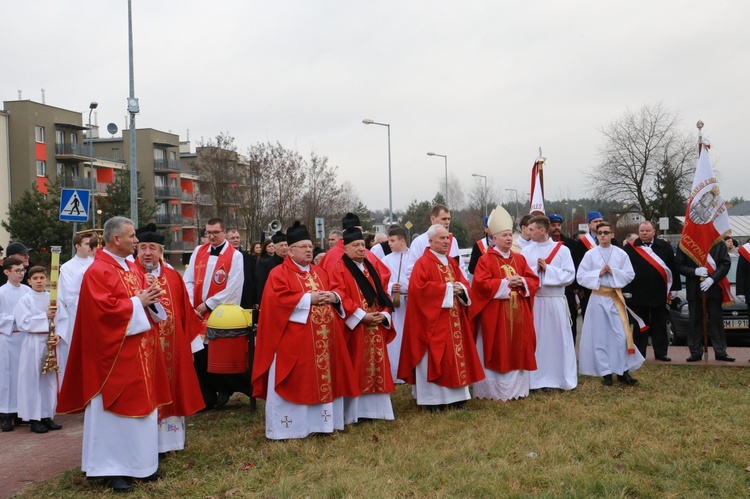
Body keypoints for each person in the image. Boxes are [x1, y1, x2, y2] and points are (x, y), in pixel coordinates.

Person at [57, 216, 170, 493]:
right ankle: (110, 469)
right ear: (116, 239)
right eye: (132, 236)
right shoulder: (98, 271)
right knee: (114, 414)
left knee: (142, 410)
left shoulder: (130, 266)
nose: (136, 241)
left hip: (138, 350)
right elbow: (102, 313)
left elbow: (140, 300)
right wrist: (137, 302)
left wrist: (150, 298)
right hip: (113, 358)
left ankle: (141, 465)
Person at [251, 221, 358, 439]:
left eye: (311, 246)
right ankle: (290, 428)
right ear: (290, 251)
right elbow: (276, 302)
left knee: (323, 378)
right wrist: (309, 298)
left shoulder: (320, 273)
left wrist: (334, 297)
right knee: (297, 381)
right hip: (294, 340)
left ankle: (323, 425)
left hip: (324, 340)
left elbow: (337, 290)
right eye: (303, 246)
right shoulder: (278, 274)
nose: (309, 250)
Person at [134, 224, 205, 454]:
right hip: (142, 349)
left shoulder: (173, 277)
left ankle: (169, 443)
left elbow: (185, 311)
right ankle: (144, 444)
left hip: (172, 349)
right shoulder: (130, 275)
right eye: (142, 247)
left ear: (160, 251)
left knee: (173, 389)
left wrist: (190, 348)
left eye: (152, 248)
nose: (147, 253)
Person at [398, 224, 484, 411]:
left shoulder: (451, 262)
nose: (447, 242)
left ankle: (457, 397)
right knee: (435, 358)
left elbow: (463, 283)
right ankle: (433, 401)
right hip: (433, 322)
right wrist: (448, 289)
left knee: (455, 358)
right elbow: (417, 291)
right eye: (442, 238)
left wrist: (461, 289)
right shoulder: (423, 263)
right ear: (430, 241)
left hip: (454, 320)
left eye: (448, 238)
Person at [471, 207, 539, 401]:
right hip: (495, 314)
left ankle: (517, 390)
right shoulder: (486, 260)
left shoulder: (520, 258)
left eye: (511, 235)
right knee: (497, 347)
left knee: (518, 346)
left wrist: (523, 283)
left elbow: (533, 281)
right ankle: (492, 392)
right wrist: (507, 283)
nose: (509, 239)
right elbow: (481, 285)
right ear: (494, 239)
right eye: (505, 236)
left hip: (518, 313)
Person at [330, 227, 395, 423]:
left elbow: (383, 293)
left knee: (378, 366)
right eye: (355, 245)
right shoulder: (339, 269)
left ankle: (378, 411)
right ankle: (355, 413)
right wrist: (360, 316)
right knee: (357, 366)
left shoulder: (370, 267)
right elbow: (338, 293)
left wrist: (384, 314)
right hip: (356, 327)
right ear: (345, 248)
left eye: (362, 245)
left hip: (375, 324)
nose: (361, 249)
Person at [183, 218, 245, 410]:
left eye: (215, 232)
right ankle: (206, 397)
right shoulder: (198, 251)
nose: (211, 236)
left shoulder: (234, 256)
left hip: (219, 313)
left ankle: (228, 388)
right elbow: (188, 281)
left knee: (218, 355)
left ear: (223, 231)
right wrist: (193, 304)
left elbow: (233, 287)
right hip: (197, 312)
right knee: (199, 355)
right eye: (208, 232)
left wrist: (208, 305)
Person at [577, 222, 643, 386]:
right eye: (600, 233)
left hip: (615, 298)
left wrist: (614, 272)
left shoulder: (621, 254)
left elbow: (630, 274)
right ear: (597, 235)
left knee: (621, 335)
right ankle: (605, 373)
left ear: (612, 234)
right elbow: (581, 276)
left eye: (606, 232)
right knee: (600, 337)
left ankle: (623, 371)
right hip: (598, 299)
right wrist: (598, 273)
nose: (603, 236)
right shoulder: (590, 255)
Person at [522, 215, 577, 391]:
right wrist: (535, 270)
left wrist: (548, 269)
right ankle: (536, 379)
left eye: (531, 229)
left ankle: (558, 378)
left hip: (555, 301)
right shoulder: (527, 251)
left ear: (542, 230)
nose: (528, 232)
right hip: (536, 301)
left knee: (557, 340)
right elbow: (523, 274)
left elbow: (570, 275)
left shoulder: (562, 251)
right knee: (538, 340)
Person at [14, 266, 64, 433]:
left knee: (48, 380)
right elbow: (23, 322)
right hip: (33, 342)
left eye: (42, 278)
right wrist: (44, 316)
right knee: (33, 380)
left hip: (49, 341)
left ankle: (47, 415)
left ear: (47, 280)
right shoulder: (25, 300)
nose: (39, 281)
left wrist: (59, 334)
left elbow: (63, 318)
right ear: (29, 281)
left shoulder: (52, 298)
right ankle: (34, 418)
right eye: (35, 278)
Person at [623, 221, 680, 362]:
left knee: (659, 324)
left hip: (659, 292)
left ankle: (661, 353)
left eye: (647, 230)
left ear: (654, 231)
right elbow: (624, 270)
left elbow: (673, 268)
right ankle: (639, 353)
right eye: (642, 230)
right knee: (640, 325)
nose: (644, 233)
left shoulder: (664, 246)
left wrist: (674, 288)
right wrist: (626, 290)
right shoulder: (630, 248)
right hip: (638, 292)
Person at [675, 240, 735, 362]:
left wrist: (712, 279)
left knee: (716, 321)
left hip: (714, 288)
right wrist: (695, 271)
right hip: (694, 288)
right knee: (695, 321)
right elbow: (678, 265)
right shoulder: (686, 242)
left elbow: (725, 263)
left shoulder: (719, 242)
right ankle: (695, 352)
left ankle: (720, 351)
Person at [57, 231, 97, 380]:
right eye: (87, 244)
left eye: (92, 244)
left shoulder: (96, 263)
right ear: (77, 246)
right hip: (76, 315)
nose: (90, 247)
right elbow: (69, 294)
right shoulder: (67, 267)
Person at [0, 257, 32, 432]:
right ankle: (5, 413)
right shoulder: (1, 292)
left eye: (22, 270)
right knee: (7, 377)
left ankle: (21, 411)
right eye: (17, 270)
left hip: (24, 338)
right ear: (7, 272)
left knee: (22, 375)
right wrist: (16, 319)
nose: (21, 273)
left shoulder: (27, 291)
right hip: (8, 337)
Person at [404, 204, 465, 283]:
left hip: (454, 292)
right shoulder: (419, 242)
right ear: (432, 219)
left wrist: (461, 286)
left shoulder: (453, 240)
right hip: (432, 291)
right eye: (444, 219)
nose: (447, 222)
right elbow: (412, 271)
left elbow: (460, 267)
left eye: (449, 219)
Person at [381, 226, 409, 382]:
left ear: (402, 240)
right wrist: (392, 287)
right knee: (396, 337)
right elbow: (381, 282)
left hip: (411, 303)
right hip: (395, 304)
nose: (389, 244)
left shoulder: (414, 256)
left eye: (392, 240)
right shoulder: (386, 260)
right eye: (388, 240)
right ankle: (395, 372)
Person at [548, 213, 581, 343]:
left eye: (558, 225)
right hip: (550, 290)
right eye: (553, 225)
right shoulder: (542, 244)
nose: (556, 228)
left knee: (570, 321)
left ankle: (571, 350)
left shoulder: (571, 244)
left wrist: (577, 287)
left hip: (569, 290)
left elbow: (577, 265)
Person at [256, 231, 288, 306]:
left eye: (286, 245)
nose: (284, 248)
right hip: (273, 302)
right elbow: (261, 286)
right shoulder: (266, 264)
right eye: (281, 245)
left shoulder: (292, 263)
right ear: (275, 247)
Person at [227, 228, 257, 309]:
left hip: (246, 297)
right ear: (226, 240)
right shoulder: (223, 257)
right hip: (228, 298)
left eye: (237, 237)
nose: (236, 240)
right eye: (232, 238)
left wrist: (255, 300)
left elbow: (253, 278)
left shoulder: (248, 257)